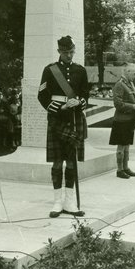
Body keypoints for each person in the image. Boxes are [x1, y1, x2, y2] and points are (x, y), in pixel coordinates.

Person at [38, 35, 88, 218]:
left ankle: (70, 201)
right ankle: (57, 201)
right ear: (59, 51)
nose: (69, 55)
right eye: (65, 52)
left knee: (72, 161)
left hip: (74, 119)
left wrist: (79, 103)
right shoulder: (50, 70)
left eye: (71, 52)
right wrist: (61, 107)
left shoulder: (80, 71)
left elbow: (85, 95)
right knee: (57, 162)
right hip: (57, 119)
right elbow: (42, 96)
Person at [109, 63, 135, 179]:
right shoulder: (119, 84)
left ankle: (126, 167)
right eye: (134, 73)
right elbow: (118, 104)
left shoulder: (130, 84)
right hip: (121, 120)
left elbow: (131, 99)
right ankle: (120, 170)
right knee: (121, 146)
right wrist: (134, 107)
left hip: (129, 119)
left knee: (127, 145)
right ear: (127, 72)